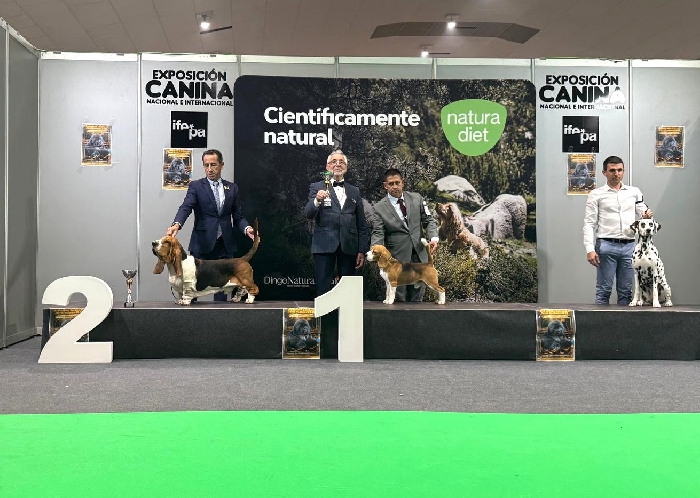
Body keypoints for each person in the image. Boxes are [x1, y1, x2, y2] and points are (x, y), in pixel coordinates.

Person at [167, 149, 255, 301]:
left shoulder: (232, 188)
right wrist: (177, 224)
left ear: (221, 165)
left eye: (213, 165)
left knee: (222, 293)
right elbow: (186, 206)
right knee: (190, 291)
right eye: (206, 165)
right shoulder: (196, 186)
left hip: (224, 245)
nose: (209, 169)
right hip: (201, 244)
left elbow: (238, 216)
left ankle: (221, 316)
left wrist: (247, 228)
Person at [583, 155, 653, 305]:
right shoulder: (596, 194)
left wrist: (646, 214)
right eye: (612, 170)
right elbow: (589, 223)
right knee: (603, 290)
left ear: (623, 171)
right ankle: (600, 321)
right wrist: (589, 249)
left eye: (620, 170)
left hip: (629, 246)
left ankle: (624, 321)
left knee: (626, 291)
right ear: (604, 172)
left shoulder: (634, 192)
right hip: (606, 245)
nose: (616, 174)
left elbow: (642, 210)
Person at [304, 149, 369, 297]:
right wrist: (317, 200)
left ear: (346, 167)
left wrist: (361, 250)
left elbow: (361, 223)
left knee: (347, 292)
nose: (338, 164)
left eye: (341, 162)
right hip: (324, 245)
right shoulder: (317, 187)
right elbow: (308, 213)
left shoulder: (355, 191)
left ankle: (346, 313)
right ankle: (324, 313)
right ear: (327, 166)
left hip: (349, 246)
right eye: (334, 161)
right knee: (323, 291)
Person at [370, 168, 439, 302]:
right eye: (391, 184)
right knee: (398, 298)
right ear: (385, 185)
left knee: (417, 298)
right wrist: (375, 250)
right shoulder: (379, 208)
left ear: (403, 182)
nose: (395, 186)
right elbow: (378, 232)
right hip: (397, 259)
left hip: (419, 255)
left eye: (397, 183)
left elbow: (429, 220)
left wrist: (434, 238)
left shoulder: (417, 198)